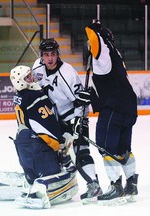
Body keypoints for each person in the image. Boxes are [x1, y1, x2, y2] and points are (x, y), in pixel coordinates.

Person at [0, 65, 79, 209]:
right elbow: (45, 126)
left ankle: (25, 181)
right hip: (37, 147)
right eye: (27, 77)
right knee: (59, 174)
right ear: (20, 82)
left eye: (31, 74)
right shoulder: (34, 96)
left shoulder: (21, 96)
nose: (32, 78)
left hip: (23, 146)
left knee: (32, 177)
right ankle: (35, 194)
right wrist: (61, 143)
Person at [32, 38, 102, 204]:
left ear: (58, 55)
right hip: (53, 119)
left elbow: (82, 100)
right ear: (41, 56)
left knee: (80, 152)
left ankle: (94, 184)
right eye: (46, 54)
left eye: (53, 54)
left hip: (73, 117)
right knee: (57, 153)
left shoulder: (67, 72)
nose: (50, 58)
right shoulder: (37, 67)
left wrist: (80, 121)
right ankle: (61, 184)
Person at [81, 19, 139, 203]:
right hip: (128, 106)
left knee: (107, 148)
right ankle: (131, 184)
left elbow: (94, 38)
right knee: (123, 149)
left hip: (114, 106)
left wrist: (94, 28)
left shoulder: (103, 52)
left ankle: (115, 187)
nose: (89, 46)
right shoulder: (115, 53)